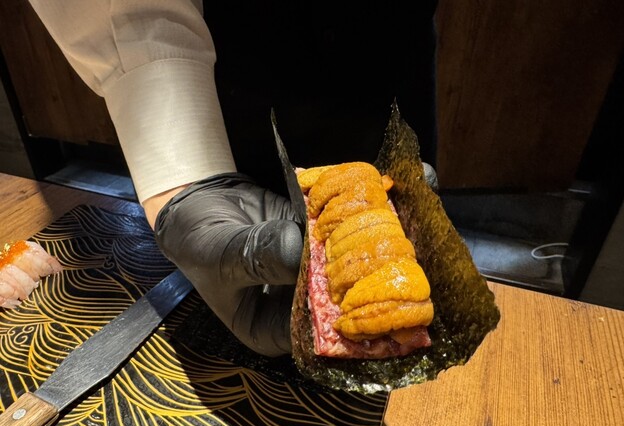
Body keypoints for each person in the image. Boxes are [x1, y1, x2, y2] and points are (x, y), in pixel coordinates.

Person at [27, 0, 438, 357]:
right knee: (239, 283)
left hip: (390, 59)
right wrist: (187, 185)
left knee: (409, 292)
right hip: (228, 73)